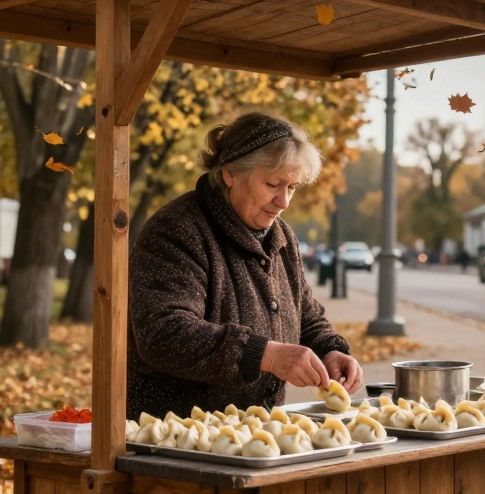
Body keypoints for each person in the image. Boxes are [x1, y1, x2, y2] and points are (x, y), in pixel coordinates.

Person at [126, 113, 365, 420]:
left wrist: (330, 350)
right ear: (230, 174)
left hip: (254, 432)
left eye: (292, 187)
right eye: (273, 184)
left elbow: (304, 312)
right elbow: (163, 333)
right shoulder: (177, 229)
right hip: (175, 435)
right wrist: (266, 355)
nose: (284, 201)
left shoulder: (282, 237)